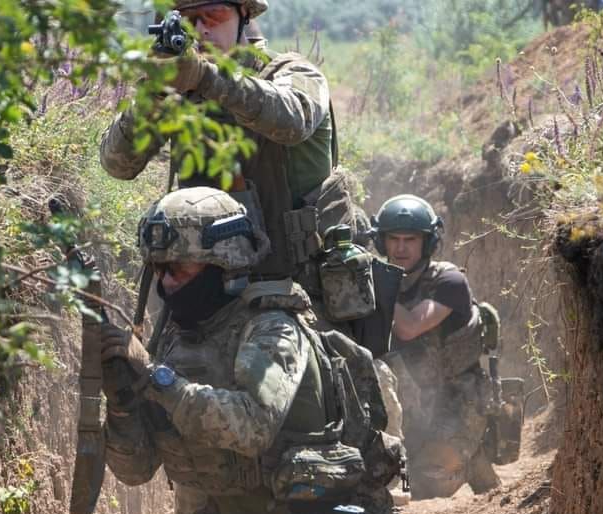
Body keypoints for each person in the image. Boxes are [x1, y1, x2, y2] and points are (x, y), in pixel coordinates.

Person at [99, 187, 401, 514]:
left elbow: (252, 427)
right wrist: (122, 404)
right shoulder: (174, 340)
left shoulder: (273, 327)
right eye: (159, 270)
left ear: (224, 263)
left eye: (180, 268)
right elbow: (135, 471)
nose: (167, 283)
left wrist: (154, 375)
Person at [100, 0, 335, 279]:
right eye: (187, 20)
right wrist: (155, 96)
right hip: (206, 289)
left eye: (213, 16)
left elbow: (293, 121)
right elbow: (119, 165)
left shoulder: (294, 73)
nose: (201, 30)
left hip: (295, 285)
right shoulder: (183, 88)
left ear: (244, 14)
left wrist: (207, 78)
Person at [371, 194, 501, 500]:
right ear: (381, 241)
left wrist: (375, 282)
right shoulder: (381, 279)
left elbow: (409, 326)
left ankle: (472, 460)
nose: (400, 248)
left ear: (427, 243)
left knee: (423, 487)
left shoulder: (449, 281)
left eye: (410, 239)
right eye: (393, 239)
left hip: (456, 400)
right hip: (410, 402)